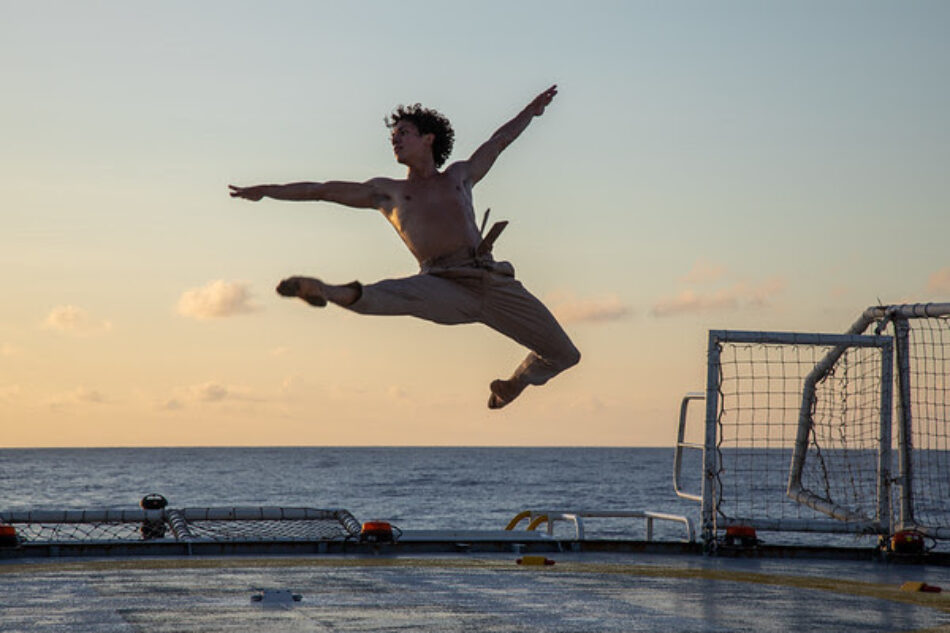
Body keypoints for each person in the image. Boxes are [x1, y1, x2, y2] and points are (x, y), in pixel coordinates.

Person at [229, 85, 579, 409]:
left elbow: (499, 141)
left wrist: (532, 111)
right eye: (392, 136)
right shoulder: (388, 193)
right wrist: (267, 189)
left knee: (565, 355)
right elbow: (319, 189)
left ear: (429, 139)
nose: (394, 140)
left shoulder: (459, 176)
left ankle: (514, 384)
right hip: (442, 283)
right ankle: (325, 290)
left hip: (493, 280)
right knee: (394, 295)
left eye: (403, 134)